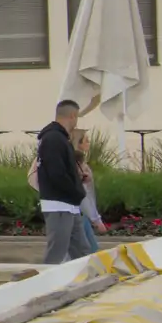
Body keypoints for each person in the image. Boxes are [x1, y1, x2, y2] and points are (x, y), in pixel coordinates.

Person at [36, 100, 89, 264]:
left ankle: (87, 282)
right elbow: (56, 173)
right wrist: (76, 190)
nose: (76, 122)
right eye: (77, 117)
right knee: (56, 252)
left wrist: (76, 181)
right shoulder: (53, 139)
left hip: (68, 204)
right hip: (59, 204)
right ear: (72, 116)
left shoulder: (59, 138)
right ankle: (44, 285)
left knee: (82, 250)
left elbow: (60, 170)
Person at [72, 129, 108, 255]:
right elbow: (85, 196)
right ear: (79, 143)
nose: (89, 143)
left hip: (81, 214)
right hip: (81, 214)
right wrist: (96, 220)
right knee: (89, 250)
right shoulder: (81, 168)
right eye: (86, 141)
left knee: (84, 250)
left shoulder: (81, 165)